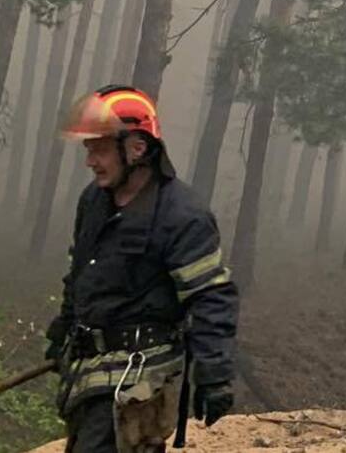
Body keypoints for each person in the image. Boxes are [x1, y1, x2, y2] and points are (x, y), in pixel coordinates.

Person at [44, 86, 239, 453]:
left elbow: (211, 295)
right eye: (88, 150)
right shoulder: (93, 201)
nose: (90, 161)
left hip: (140, 374)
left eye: (99, 149)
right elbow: (82, 273)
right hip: (91, 371)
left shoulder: (182, 215)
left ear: (136, 148)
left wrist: (214, 376)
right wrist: (65, 328)